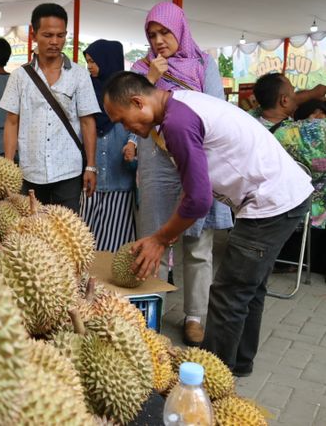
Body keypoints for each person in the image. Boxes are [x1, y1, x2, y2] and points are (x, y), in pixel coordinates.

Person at [103, 71, 312, 376]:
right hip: (283, 197)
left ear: (138, 102)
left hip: (270, 203)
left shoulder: (177, 122)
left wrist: (160, 239)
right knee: (248, 289)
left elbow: (200, 201)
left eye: (123, 120)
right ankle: (237, 366)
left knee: (229, 294)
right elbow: (193, 186)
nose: (125, 128)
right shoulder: (177, 108)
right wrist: (168, 233)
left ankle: (210, 382)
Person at [129, 1, 233, 347]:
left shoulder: (204, 64)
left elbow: (217, 111)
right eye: (152, 34)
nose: (159, 40)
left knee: (198, 242)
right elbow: (132, 107)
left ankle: (194, 316)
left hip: (195, 157)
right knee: (152, 235)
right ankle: (149, 309)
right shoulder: (141, 67)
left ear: (181, 30)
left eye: (165, 32)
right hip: (157, 161)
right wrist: (151, 79)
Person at [0, 3, 100, 212]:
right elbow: (11, 121)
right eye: (48, 35)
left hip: (68, 173)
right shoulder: (20, 76)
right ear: (34, 34)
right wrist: (8, 167)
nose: (55, 42)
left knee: (65, 235)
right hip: (29, 172)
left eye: (60, 35)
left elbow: (88, 122)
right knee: (30, 234)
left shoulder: (79, 75)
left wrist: (90, 166)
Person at [250, 73, 326, 273]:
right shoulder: (309, 132)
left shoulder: (250, 124)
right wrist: (317, 95)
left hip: (258, 210)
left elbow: (263, 107)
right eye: (293, 93)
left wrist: (309, 94)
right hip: (298, 213)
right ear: (284, 100)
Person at [79, 40, 136, 252]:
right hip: (91, 175)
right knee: (86, 235)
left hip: (119, 176)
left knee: (117, 238)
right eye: (88, 62)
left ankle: (111, 283)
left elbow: (140, 126)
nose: (90, 66)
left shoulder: (129, 92)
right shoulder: (86, 90)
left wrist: (132, 142)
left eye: (93, 61)